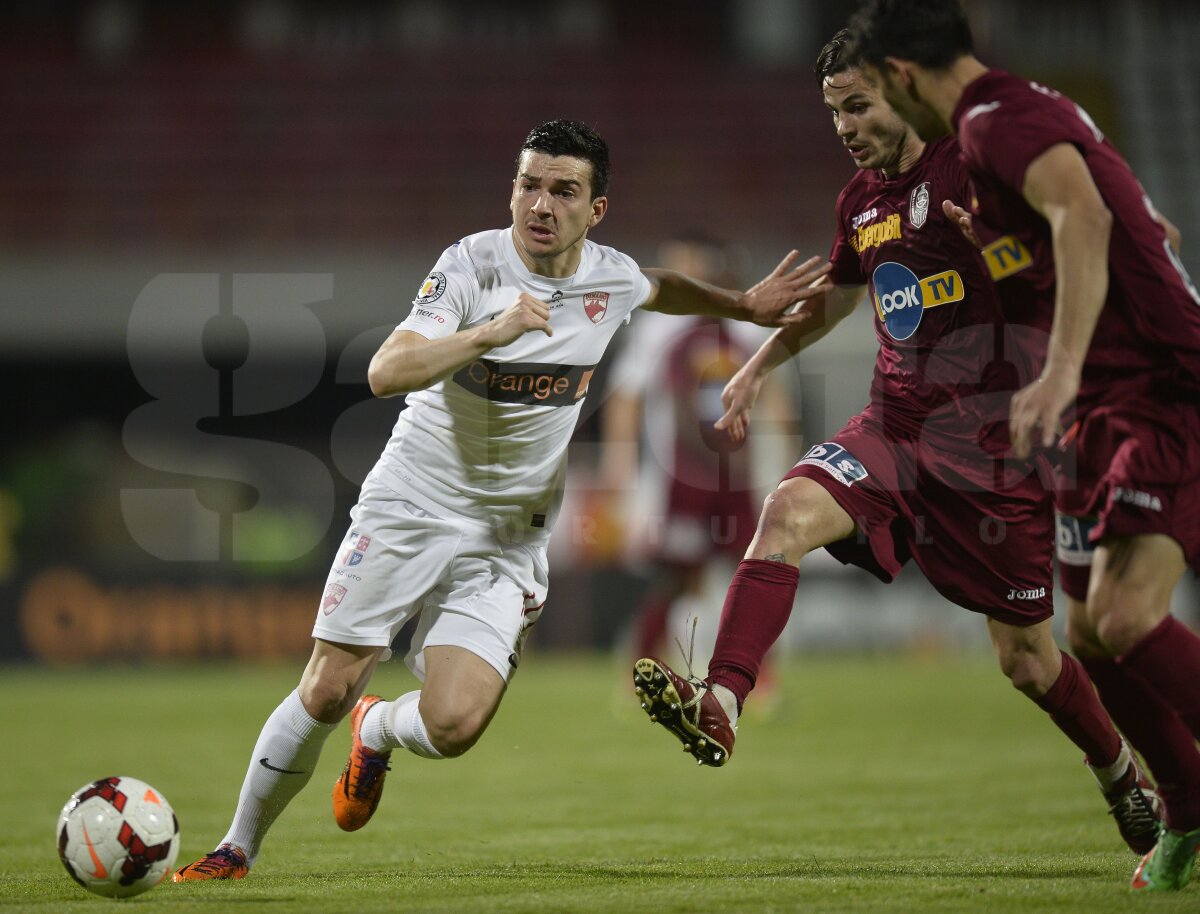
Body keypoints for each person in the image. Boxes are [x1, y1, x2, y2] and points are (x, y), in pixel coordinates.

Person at [170, 119, 831, 881]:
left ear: (597, 209)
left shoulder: (608, 278)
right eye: (528, 184)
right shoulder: (471, 265)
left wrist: (743, 306)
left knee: (454, 725)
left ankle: (378, 730)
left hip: (509, 534)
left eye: (563, 190)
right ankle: (236, 848)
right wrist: (488, 333)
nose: (540, 204)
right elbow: (387, 371)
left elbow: (659, 286)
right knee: (326, 683)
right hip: (413, 503)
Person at [632, 32, 1161, 858]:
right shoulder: (859, 203)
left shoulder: (975, 167)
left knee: (1027, 660)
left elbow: (1079, 238)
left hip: (994, 453)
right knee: (785, 514)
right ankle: (724, 703)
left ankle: (1120, 771)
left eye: (859, 104)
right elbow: (839, 300)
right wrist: (760, 366)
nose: (844, 124)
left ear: (902, 92)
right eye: (833, 109)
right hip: (895, 428)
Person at [846, 0, 1200, 892]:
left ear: (899, 76)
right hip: (1110, 402)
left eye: (870, 96)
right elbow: (1145, 228)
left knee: (1121, 620)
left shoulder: (996, 123)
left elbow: (1087, 220)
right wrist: (1007, 253)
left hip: (1156, 385)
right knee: (1089, 632)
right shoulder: (1014, 120)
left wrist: (1062, 369)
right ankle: (1187, 814)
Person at [600, 232, 788, 689]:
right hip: (679, 477)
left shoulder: (747, 326)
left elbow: (776, 399)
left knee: (760, 568)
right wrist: (617, 466)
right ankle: (642, 665)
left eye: (685, 261)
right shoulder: (658, 329)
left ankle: (757, 677)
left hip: (739, 475)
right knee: (679, 575)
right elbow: (625, 399)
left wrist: (783, 464)